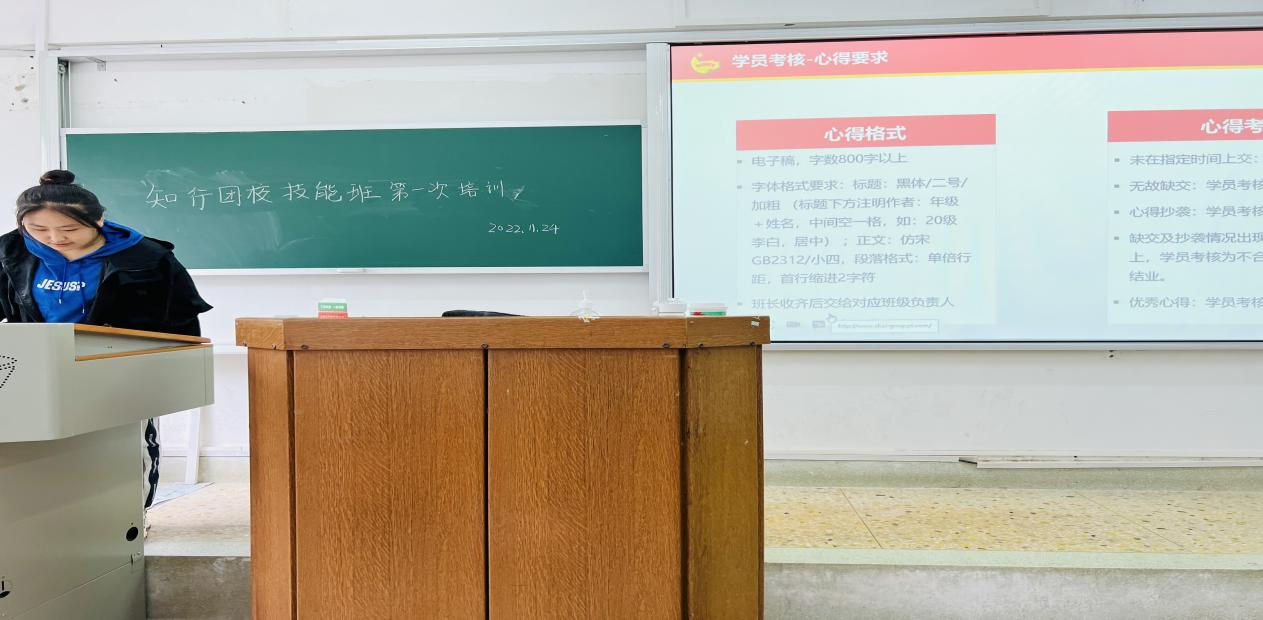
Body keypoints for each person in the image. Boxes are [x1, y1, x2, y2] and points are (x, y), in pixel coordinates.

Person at [0, 169, 212, 515]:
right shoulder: (10, 251)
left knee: (116, 452)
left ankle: (128, 520)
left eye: (70, 229)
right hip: (36, 372)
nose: (54, 238)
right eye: (37, 229)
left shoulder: (147, 258)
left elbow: (180, 324)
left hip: (115, 370)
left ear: (98, 220)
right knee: (40, 455)